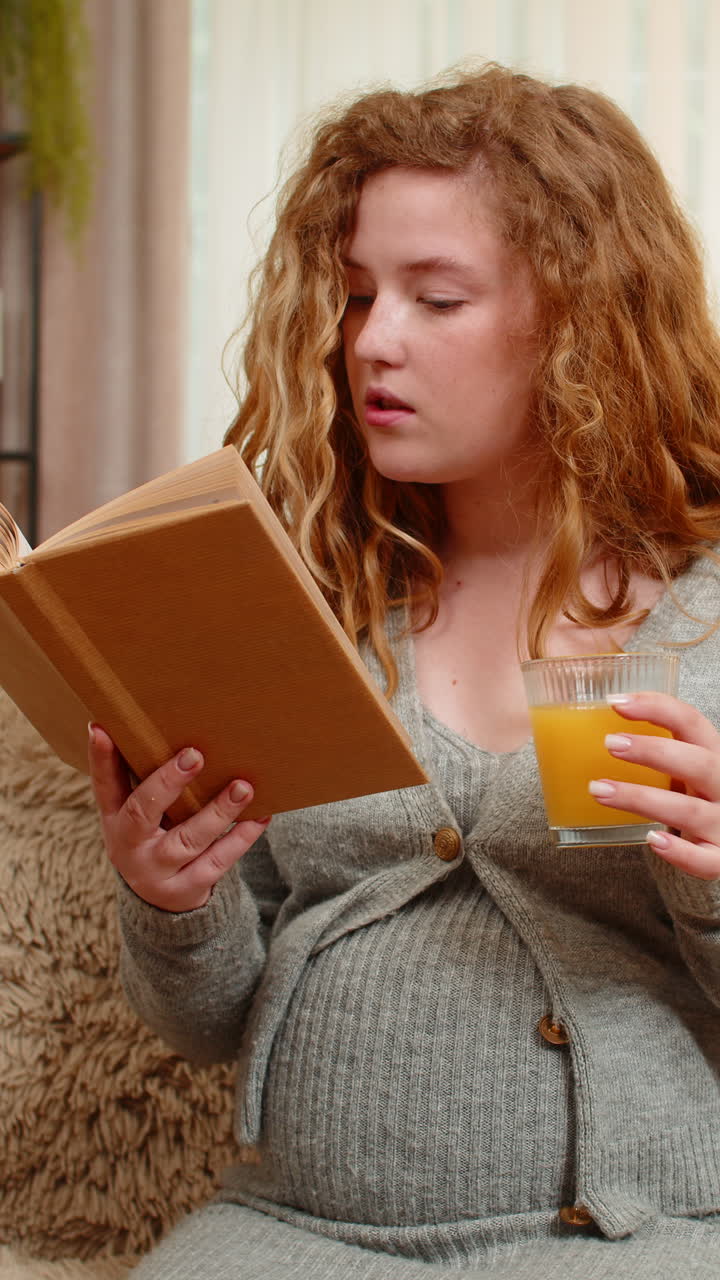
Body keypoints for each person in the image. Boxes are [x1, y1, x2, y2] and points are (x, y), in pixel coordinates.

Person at [90, 63, 720, 1278]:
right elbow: (210, 1021)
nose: (372, 340)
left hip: (627, 1231)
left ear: (583, 316)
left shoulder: (704, 616)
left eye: (436, 298)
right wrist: (173, 898)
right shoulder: (302, 605)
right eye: (357, 293)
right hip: (295, 1227)